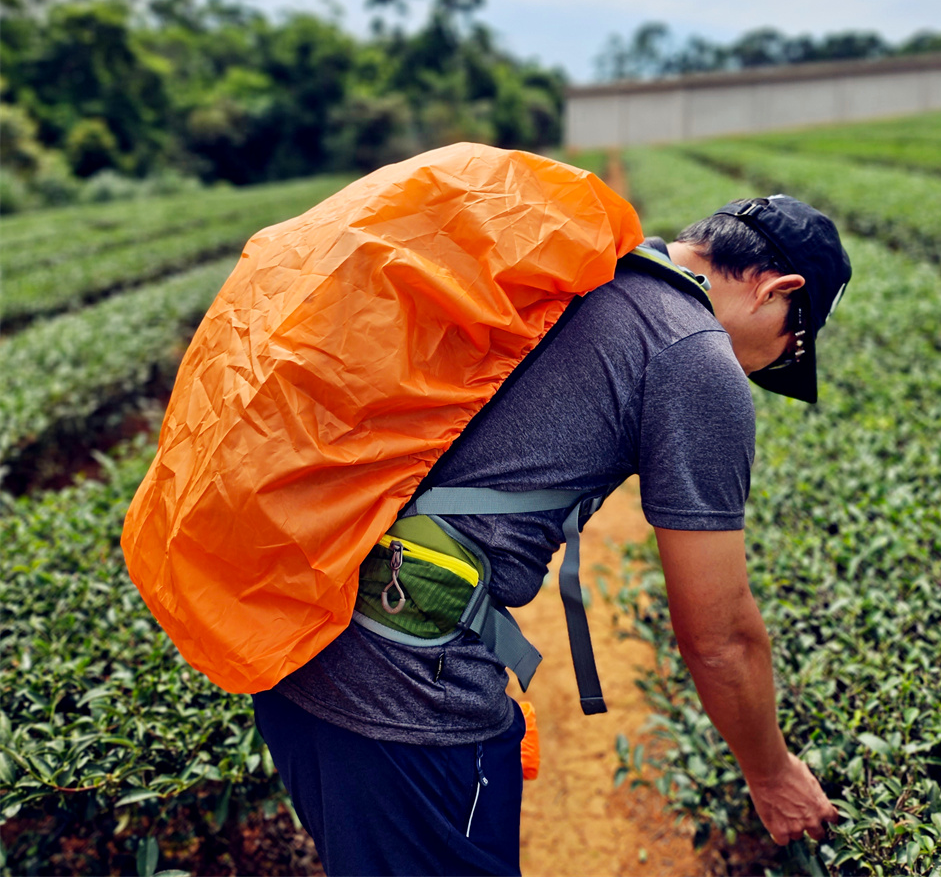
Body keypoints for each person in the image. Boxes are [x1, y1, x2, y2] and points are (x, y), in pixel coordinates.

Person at [251, 193, 851, 877]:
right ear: (779, 291)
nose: (764, 368)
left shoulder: (586, 274)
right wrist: (772, 774)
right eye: (789, 348)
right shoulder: (696, 356)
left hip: (302, 631)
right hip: (405, 686)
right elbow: (720, 639)